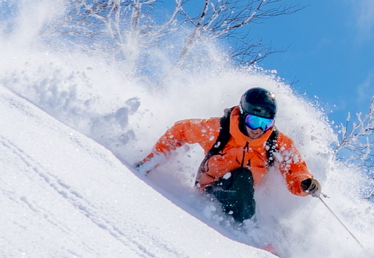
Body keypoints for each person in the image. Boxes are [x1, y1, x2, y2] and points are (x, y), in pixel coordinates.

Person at [136, 87, 320, 223]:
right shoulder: (218, 129)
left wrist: (305, 182)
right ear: (242, 114)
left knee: (268, 210)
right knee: (243, 177)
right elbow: (180, 131)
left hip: (246, 199)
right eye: (253, 121)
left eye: (265, 124)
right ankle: (245, 232)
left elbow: (294, 166)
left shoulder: (276, 142)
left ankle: (273, 243)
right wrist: (152, 161)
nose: (258, 129)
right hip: (211, 191)